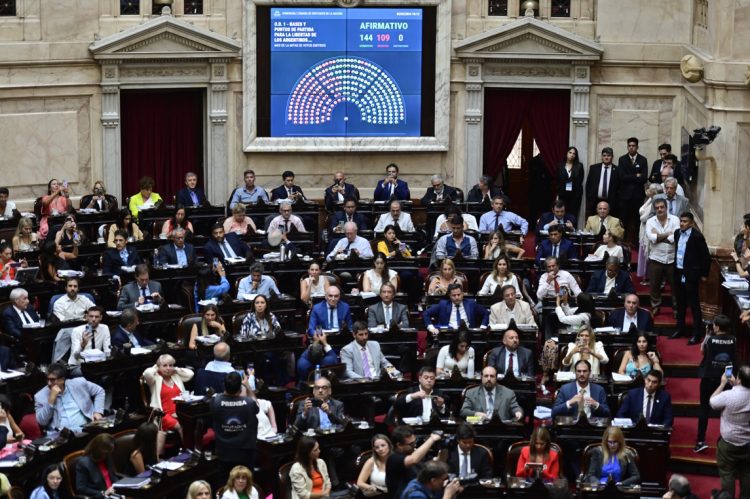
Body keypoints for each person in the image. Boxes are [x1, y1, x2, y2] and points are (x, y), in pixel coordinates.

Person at [696, 315, 737, 453]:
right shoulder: (734, 340)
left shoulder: (711, 340)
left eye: (714, 325)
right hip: (727, 378)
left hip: (709, 378)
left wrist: (707, 335)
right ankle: (726, 440)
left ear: (717, 327)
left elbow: (703, 352)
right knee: (728, 411)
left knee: (704, 409)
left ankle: (700, 441)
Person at [210, 371, 259, 481]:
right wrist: (248, 386)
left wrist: (227, 389)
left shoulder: (215, 401)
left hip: (223, 452)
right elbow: (257, 405)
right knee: (246, 485)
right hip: (245, 453)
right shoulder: (249, 403)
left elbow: (222, 396)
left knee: (225, 486)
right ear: (240, 389)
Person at [710, 365, 750, 497]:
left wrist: (722, 384)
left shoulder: (728, 396)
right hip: (748, 444)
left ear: (738, 379)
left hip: (728, 444)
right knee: (747, 475)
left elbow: (712, 402)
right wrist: (737, 385)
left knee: (727, 475)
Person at [142, 354, 194, 456]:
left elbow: (191, 374)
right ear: (159, 367)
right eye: (165, 365)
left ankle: (185, 452)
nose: (168, 368)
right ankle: (189, 453)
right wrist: (156, 368)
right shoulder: (154, 379)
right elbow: (147, 373)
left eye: (171, 365)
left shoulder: (176, 376)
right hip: (162, 414)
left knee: (192, 423)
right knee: (180, 427)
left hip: (180, 412)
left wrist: (176, 369)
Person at [672, 212, 711, 343]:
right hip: (678, 271)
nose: (682, 224)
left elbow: (705, 257)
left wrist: (704, 274)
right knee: (680, 303)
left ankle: (696, 333)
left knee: (694, 305)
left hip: (691, 275)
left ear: (692, 223)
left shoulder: (697, 236)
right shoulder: (677, 233)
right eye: (681, 221)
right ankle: (680, 328)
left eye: (685, 221)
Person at [34, 363, 105, 432]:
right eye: (48, 379)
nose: (49, 383)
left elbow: (99, 391)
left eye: (52, 380)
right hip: (60, 435)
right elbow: (42, 421)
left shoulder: (79, 383)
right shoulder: (40, 396)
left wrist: (98, 412)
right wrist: (50, 401)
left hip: (85, 428)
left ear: (62, 380)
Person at [386, 426, 443, 498]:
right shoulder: (393, 459)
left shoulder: (415, 454)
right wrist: (432, 439)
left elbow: (435, 465)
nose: (414, 445)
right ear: (399, 445)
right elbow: (413, 460)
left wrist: (444, 448)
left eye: (415, 441)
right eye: (411, 444)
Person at [646, 197, 680, 314]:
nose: (660, 209)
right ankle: (655, 306)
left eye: (662, 207)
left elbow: (674, 238)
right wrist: (666, 234)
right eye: (657, 208)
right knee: (654, 286)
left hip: (672, 259)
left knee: (675, 287)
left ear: (666, 208)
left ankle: (676, 309)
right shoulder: (650, 222)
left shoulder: (675, 220)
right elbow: (652, 238)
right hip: (656, 258)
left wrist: (659, 236)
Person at [617, 137, 649, 237]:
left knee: (637, 221)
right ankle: (624, 242)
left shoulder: (643, 160)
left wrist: (630, 177)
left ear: (637, 147)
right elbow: (621, 177)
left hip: (637, 195)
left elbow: (644, 178)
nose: (631, 148)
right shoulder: (622, 159)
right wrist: (636, 175)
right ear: (627, 147)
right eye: (629, 146)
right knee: (624, 220)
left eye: (633, 146)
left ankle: (637, 243)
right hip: (624, 196)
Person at [423, 283, 489, 332]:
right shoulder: (443, 304)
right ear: (449, 296)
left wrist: (482, 327)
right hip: (449, 334)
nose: (457, 297)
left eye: (459, 295)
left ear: (462, 294)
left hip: (467, 334)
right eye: (454, 295)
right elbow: (426, 313)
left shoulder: (471, 304)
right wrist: (432, 328)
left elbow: (486, 313)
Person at [75, 434, 118, 498]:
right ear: (99, 450)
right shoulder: (83, 463)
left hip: (114, 493)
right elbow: (81, 488)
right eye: (106, 453)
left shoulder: (107, 457)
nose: (109, 455)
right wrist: (103, 493)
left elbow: (112, 476)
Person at [637, 183, 662, 283]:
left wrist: (641, 216)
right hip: (643, 228)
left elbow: (644, 218)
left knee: (648, 253)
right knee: (644, 252)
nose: (648, 191)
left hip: (649, 229)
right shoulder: (649, 200)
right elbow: (642, 211)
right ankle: (645, 276)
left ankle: (649, 277)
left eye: (650, 190)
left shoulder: (655, 202)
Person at [585, 147, 620, 216]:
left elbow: (619, 187)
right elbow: (588, 185)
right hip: (595, 201)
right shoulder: (594, 168)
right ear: (601, 157)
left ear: (612, 157)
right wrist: (589, 198)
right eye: (604, 155)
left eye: (608, 156)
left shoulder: (617, 170)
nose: (606, 157)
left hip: (611, 203)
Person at [556, 147, 585, 219]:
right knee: (562, 214)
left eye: (574, 154)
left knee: (573, 215)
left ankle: (572, 229)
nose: (572, 155)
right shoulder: (560, 166)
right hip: (563, 195)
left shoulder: (579, 166)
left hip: (574, 195)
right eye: (570, 152)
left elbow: (580, 180)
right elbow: (558, 180)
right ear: (566, 153)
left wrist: (577, 195)